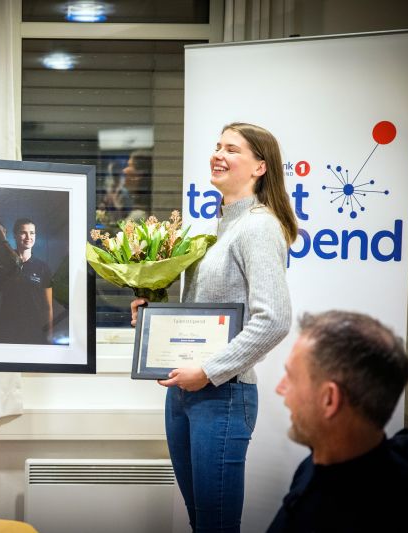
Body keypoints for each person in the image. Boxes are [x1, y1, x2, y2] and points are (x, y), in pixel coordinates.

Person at [131, 122, 299, 532]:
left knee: (216, 526)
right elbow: (203, 313)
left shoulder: (258, 226)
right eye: (217, 146)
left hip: (222, 394)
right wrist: (153, 313)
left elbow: (274, 318)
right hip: (185, 393)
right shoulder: (218, 228)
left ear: (260, 167)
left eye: (232, 149)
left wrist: (207, 371)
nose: (218, 155)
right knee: (201, 522)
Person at [269, 310, 408, 532]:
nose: (280, 388)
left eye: (290, 377)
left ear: (329, 399)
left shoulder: (354, 516)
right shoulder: (316, 464)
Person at [0, 218, 54, 344]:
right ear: (15, 236)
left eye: (32, 233)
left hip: (34, 331)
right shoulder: (3, 264)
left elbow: (47, 307)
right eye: (23, 232)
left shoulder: (43, 268)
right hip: (6, 329)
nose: (28, 237)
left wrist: (49, 335)